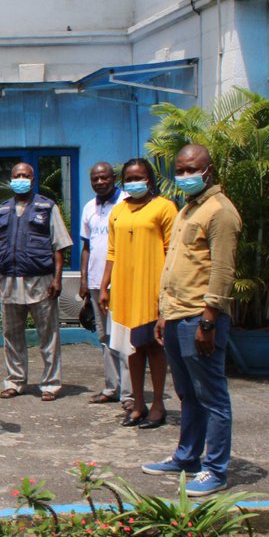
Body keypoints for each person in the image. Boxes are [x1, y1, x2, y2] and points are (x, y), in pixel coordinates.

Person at [142, 144, 242, 496]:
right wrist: (162, 314)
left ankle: (215, 469)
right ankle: (187, 457)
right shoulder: (188, 209)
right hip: (175, 315)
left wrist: (209, 320)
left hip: (200, 317)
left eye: (191, 169)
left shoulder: (220, 212)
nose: (184, 175)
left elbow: (222, 270)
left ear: (208, 171)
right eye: (180, 170)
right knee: (187, 394)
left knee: (212, 395)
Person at [99, 158, 178, 429]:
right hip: (124, 289)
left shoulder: (165, 208)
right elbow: (112, 251)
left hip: (152, 288)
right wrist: (104, 285)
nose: (134, 182)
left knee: (154, 347)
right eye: (129, 178)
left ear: (150, 179)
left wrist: (167, 291)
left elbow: (171, 251)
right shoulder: (118, 211)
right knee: (130, 348)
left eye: (139, 177)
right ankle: (138, 404)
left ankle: (158, 404)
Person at [0, 161, 73, 401]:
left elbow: (59, 246)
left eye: (25, 175)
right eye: (17, 175)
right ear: (11, 178)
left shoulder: (47, 207)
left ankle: (50, 384)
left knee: (48, 334)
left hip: (40, 281)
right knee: (12, 335)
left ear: (33, 180)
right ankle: (15, 381)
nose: (21, 179)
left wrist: (58, 279)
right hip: (8, 280)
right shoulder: (2, 209)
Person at [78, 162, 132, 408]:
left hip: (122, 282)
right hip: (96, 283)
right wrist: (84, 280)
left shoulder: (128, 203)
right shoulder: (90, 207)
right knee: (105, 337)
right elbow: (87, 246)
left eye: (104, 178)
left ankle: (130, 394)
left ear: (114, 178)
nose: (100, 182)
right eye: (95, 179)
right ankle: (112, 387)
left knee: (125, 338)